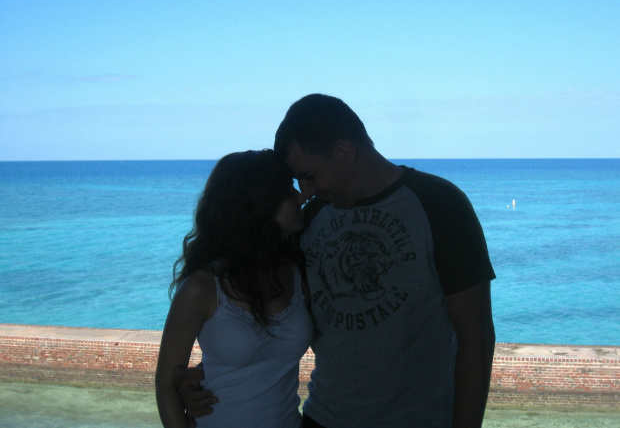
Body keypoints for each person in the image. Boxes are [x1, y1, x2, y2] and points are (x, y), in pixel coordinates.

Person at [182, 94, 496, 428]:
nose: (305, 192)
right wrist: (207, 377)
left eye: (310, 175)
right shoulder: (310, 220)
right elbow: (262, 313)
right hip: (322, 419)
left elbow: (475, 335)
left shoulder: (440, 205)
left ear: (345, 151)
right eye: (296, 182)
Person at [155, 150, 313, 428]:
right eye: (289, 191)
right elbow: (167, 383)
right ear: (260, 204)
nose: (301, 197)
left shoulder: (298, 272)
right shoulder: (202, 288)